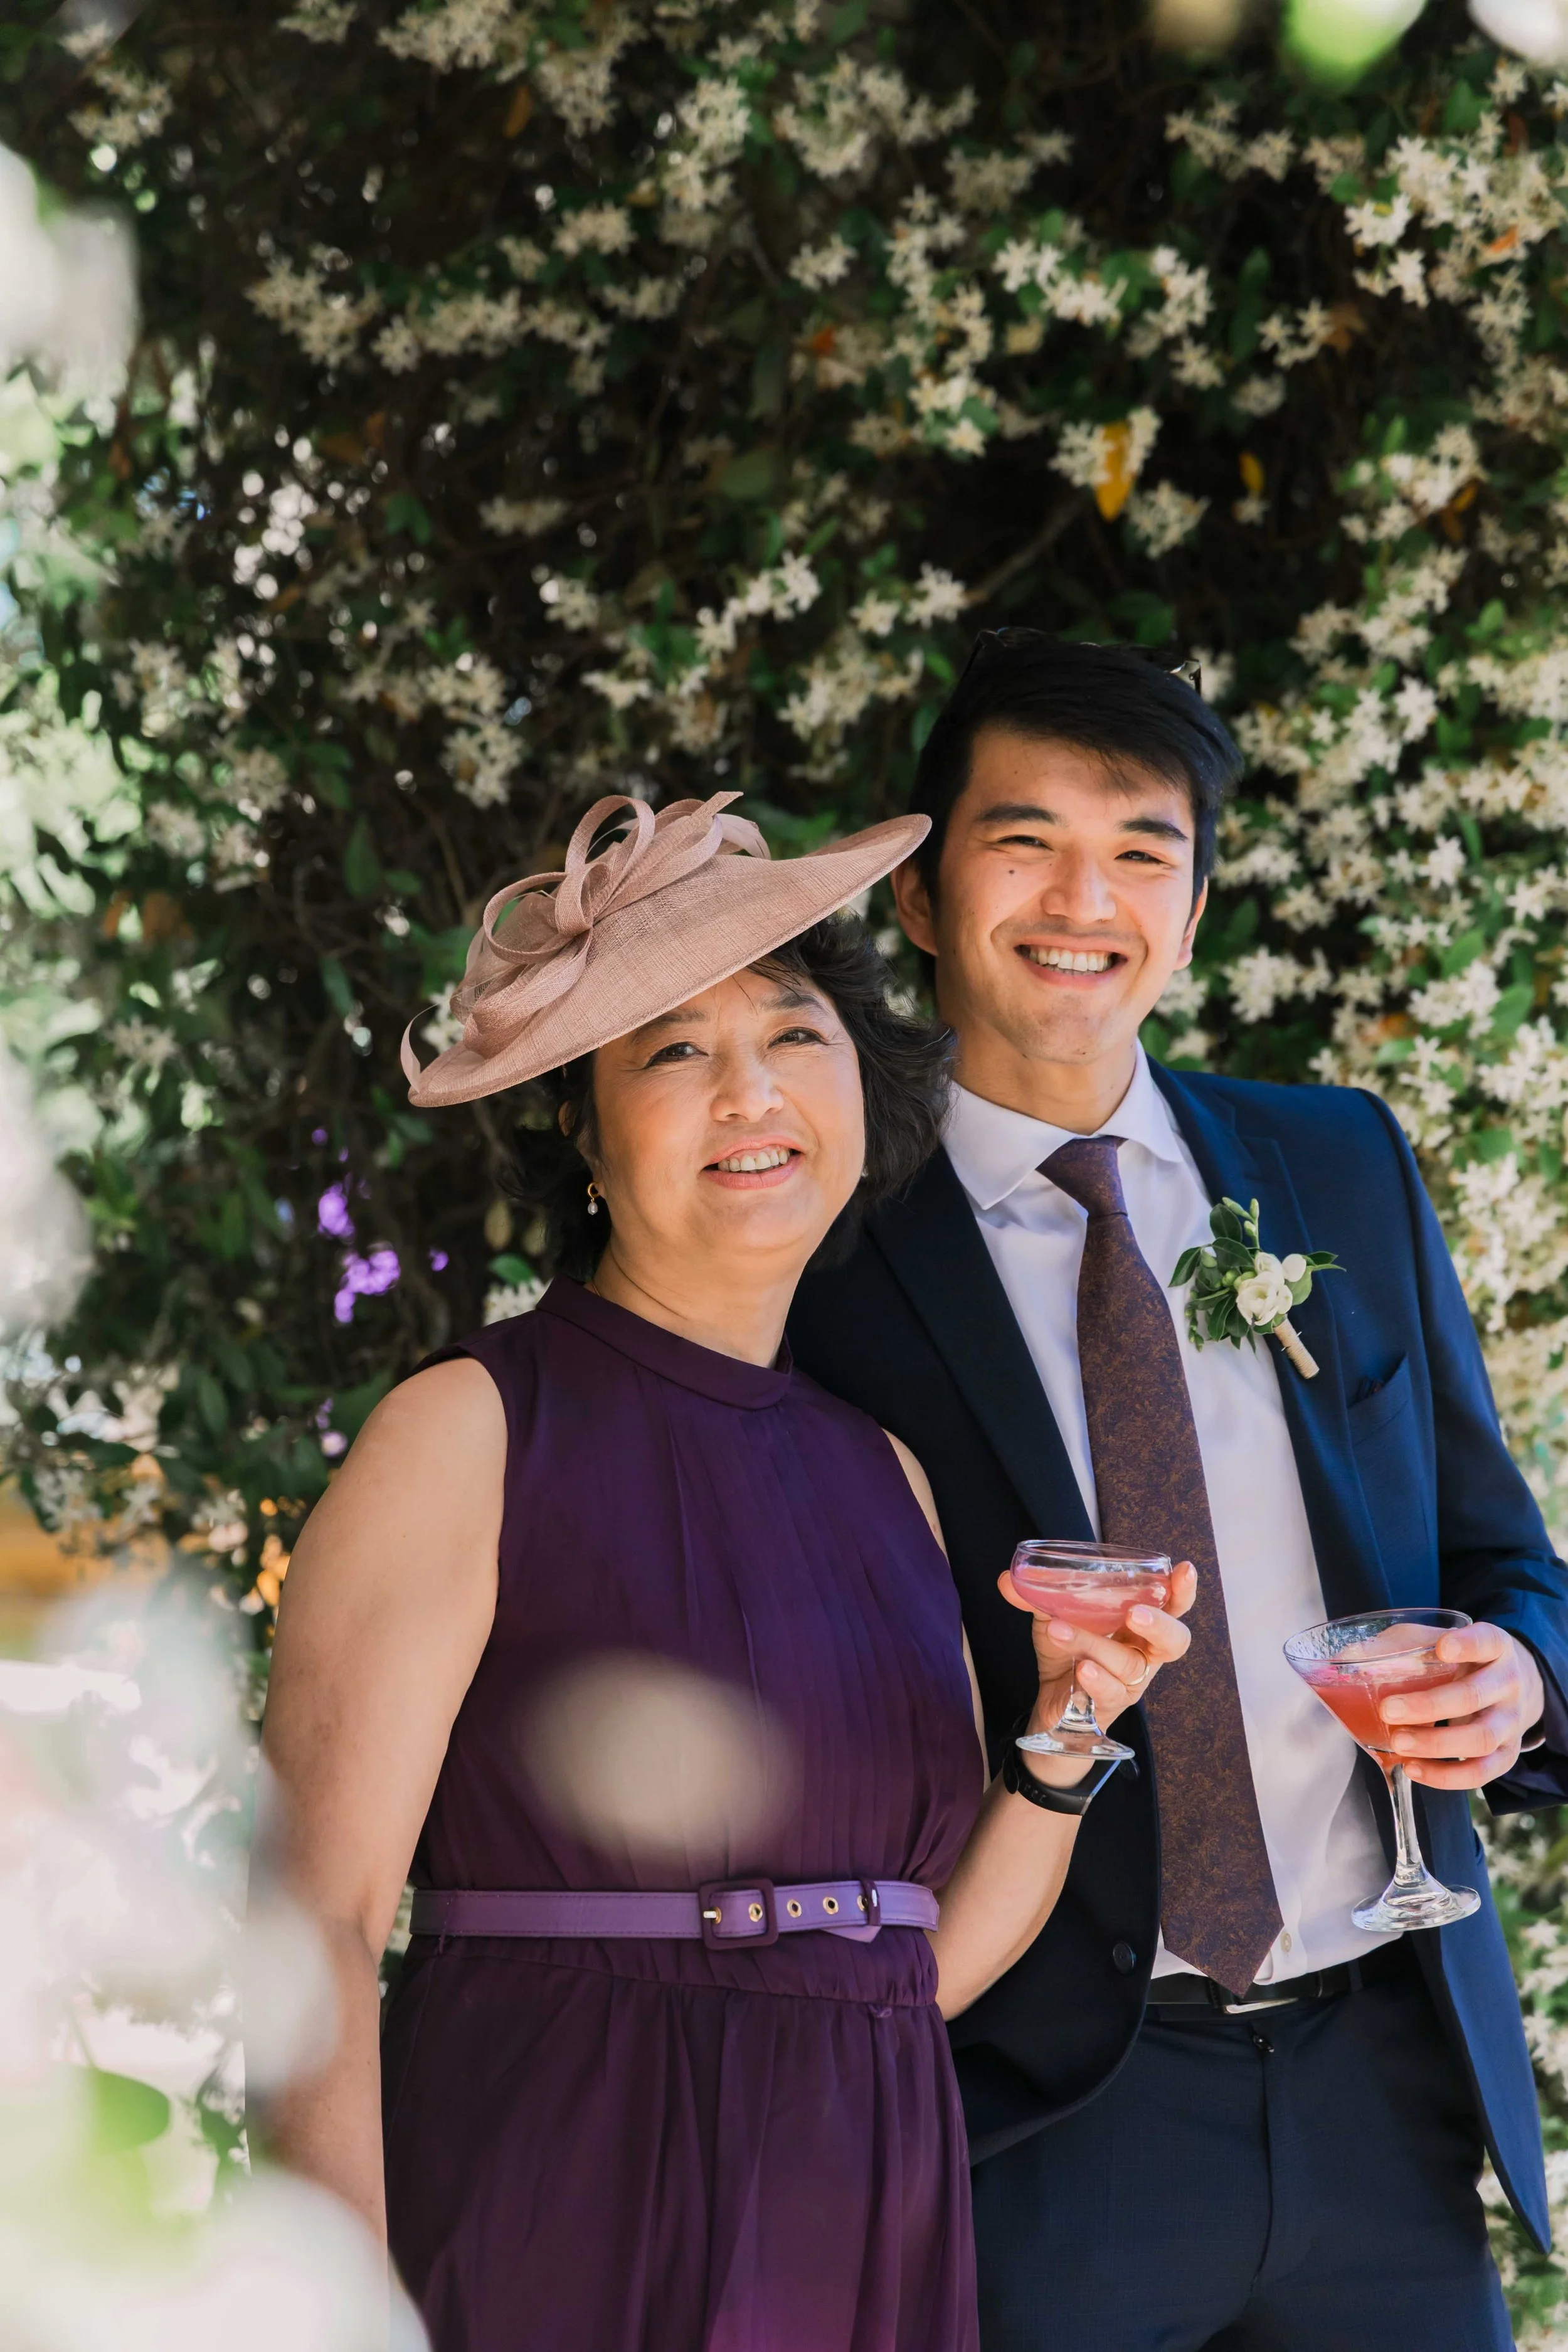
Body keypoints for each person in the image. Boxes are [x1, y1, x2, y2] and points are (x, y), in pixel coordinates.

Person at [258, 788, 1194, 2352]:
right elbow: (312, 1927)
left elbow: (922, 1967)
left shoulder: (883, 1472)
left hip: (858, 2211)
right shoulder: (470, 1429)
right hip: (563, 2185)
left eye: (793, 1033)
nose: (749, 1091)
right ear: (582, 1129)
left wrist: (1065, 1737)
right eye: (674, 1053)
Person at [788, 632, 1568, 2352]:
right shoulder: (818, 1257)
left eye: (1141, 848)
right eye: (1023, 839)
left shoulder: (1336, 1162)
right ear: (917, 897)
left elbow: (1510, 1559)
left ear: (1194, 908)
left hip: (1385, 2080)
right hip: (1039, 2117)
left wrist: (1518, 1676)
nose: (1086, 896)